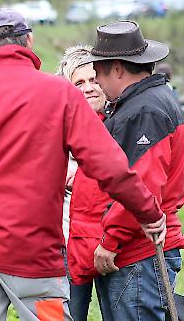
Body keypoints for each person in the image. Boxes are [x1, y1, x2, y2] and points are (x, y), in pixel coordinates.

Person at [0, 8, 167, 321]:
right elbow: (109, 166)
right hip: (33, 253)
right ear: (29, 40)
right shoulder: (60, 95)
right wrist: (149, 213)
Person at [86, 21, 184, 321]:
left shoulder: (144, 111)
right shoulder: (153, 100)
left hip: (137, 253)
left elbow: (142, 187)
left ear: (117, 69)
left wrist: (111, 240)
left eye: (99, 74)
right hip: (142, 248)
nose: (98, 84)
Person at [56, 45, 108, 321]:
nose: (88, 88)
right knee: (61, 315)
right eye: (79, 82)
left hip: (112, 244)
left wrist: (87, 178)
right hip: (63, 246)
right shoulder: (55, 130)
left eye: (94, 80)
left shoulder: (119, 123)